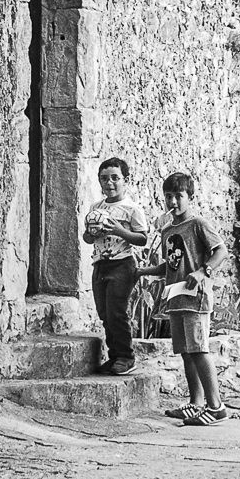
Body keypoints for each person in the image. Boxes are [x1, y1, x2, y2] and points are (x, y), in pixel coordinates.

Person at [139, 172, 231, 426]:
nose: (173, 202)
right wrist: (142, 271)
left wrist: (204, 272)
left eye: (179, 196)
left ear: (189, 197)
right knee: (186, 353)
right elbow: (169, 265)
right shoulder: (168, 230)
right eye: (168, 196)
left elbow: (221, 250)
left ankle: (217, 407)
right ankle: (196, 403)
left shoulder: (198, 224)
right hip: (175, 298)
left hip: (196, 299)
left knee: (199, 350)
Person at [83, 157, 151, 375]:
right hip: (100, 264)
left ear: (125, 180)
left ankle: (126, 357)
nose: (109, 183)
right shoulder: (96, 207)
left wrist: (118, 231)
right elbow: (87, 238)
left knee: (117, 313)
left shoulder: (131, 209)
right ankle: (114, 357)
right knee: (104, 313)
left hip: (122, 265)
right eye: (104, 179)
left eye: (115, 178)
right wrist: (92, 232)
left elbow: (142, 239)